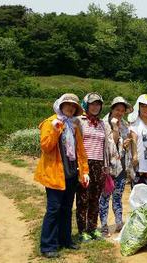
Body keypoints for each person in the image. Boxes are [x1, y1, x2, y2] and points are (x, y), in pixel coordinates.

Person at [34, 94, 89, 258]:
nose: (70, 108)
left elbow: (81, 151)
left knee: (66, 209)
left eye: (73, 106)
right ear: (60, 105)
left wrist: (84, 171)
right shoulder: (50, 123)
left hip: (71, 174)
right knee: (53, 210)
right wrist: (56, 129)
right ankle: (47, 245)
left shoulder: (74, 126)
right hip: (54, 174)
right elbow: (45, 146)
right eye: (68, 105)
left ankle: (65, 240)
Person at [76, 92, 109, 243]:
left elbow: (105, 146)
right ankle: (82, 231)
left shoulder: (102, 123)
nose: (95, 107)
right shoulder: (80, 121)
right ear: (86, 105)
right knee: (83, 198)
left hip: (99, 164)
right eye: (92, 104)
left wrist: (106, 166)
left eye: (98, 104)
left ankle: (92, 229)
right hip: (85, 164)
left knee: (95, 199)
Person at [99, 97, 133, 237]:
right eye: (117, 109)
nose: (120, 112)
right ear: (112, 109)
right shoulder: (103, 123)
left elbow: (125, 143)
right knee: (105, 196)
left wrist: (125, 144)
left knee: (118, 196)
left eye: (122, 110)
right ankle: (104, 225)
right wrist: (116, 134)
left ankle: (119, 222)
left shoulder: (125, 125)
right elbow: (107, 142)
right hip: (108, 165)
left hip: (122, 165)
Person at [128, 94, 147, 190]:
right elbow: (132, 142)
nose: (145, 109)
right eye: (143, 106)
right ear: (138, 107)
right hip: (138, 167)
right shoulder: (134, 123)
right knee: (137, 199)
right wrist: (134, 159)